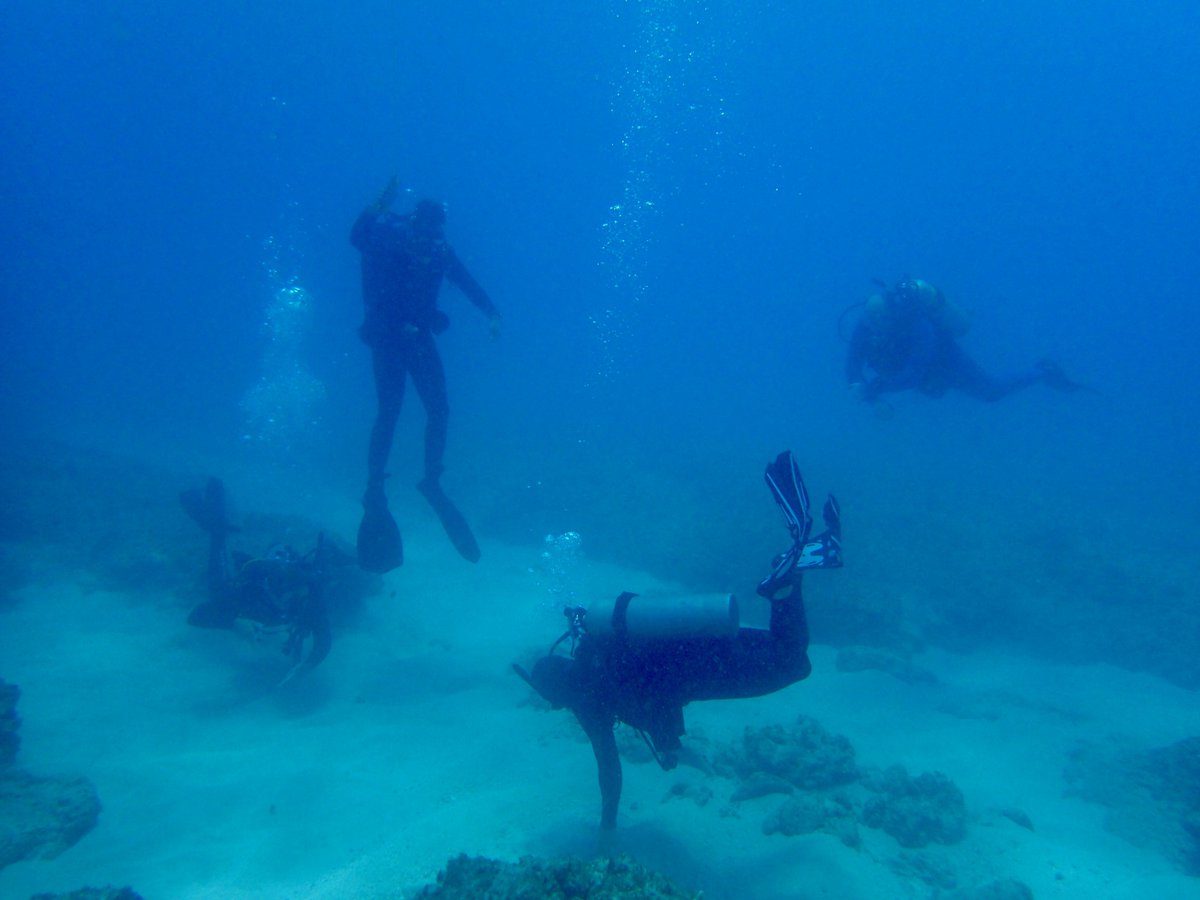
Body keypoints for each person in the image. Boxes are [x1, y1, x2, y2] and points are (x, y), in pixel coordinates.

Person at [514, 451, 842, 830]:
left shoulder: (587, 701)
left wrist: (607, 828)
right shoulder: (594, 646)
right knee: (789, 655)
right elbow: (647, 694)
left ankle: (785, 582)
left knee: (793, 664)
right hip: (699, 638)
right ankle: (791, 572)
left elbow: (610, 768)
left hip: (702, 672)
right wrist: (672, 747)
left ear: (557, 695)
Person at [351, 178, 503, 572]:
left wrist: (491, 312)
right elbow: (357, 237)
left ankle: (431, 479)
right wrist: (378, 204)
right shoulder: (389, 237)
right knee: (390, 411)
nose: (427, 239)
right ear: (412, 223)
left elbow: (466, 281)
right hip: (387, 338)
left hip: (418, 339)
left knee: (439, 409)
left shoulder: (438, 250)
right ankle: (374, 486)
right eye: (424, 230)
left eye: (434, 232)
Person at [845, 277, 1092, 406]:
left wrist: (878, 388)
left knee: (991, 391)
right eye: (870, 317)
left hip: (945, 359)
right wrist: (858, 384)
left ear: (891, 312)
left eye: (879, 317)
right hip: (915, 375)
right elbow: (852, 360)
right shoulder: (867, 324)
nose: (874, 323)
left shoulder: (918, 326)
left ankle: (1042, 370)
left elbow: (915, 371)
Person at [181, 477, 333, 685]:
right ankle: (217, 531)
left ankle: (218, 525)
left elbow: (323, 640)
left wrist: (306, 666)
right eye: (283, 582)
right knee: (219, 592)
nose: (291, 591)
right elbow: (197, 615)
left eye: (296, 585)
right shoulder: (252, 591)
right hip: (243, 593)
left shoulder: (310, 598)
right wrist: (234, 623)